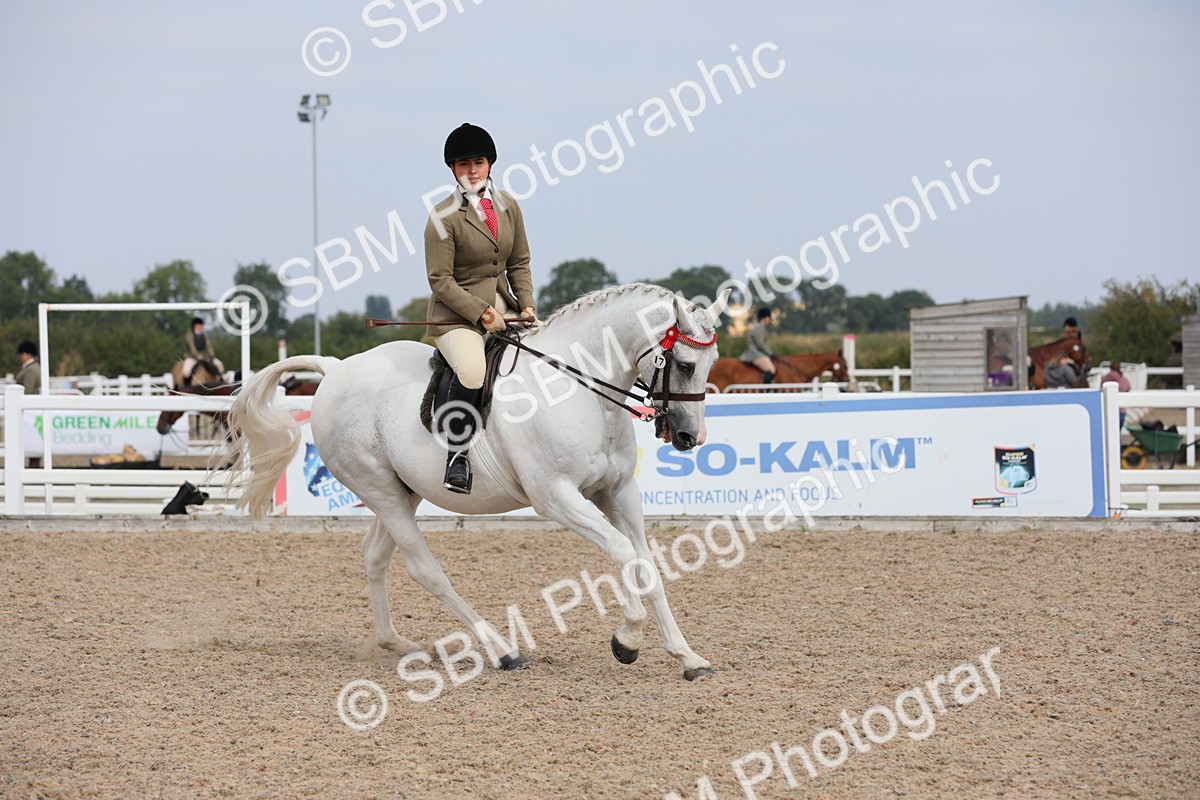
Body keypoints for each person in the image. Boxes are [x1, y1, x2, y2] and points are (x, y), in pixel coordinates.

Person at [425, 123, 536, 494]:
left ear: (489, 164)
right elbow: (440, 280)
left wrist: (528, 305)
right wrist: (482, 313)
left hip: (504, 305)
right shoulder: (442, 218)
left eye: (478, 162)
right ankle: (457, 455)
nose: (472, 170)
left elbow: (519, 262)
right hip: (456, 316)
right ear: (453, 170)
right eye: (463, 164)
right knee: (472, 372)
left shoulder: (508, 207)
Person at [183, 317, 224, 385]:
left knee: (219, 365)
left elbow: (209, 346)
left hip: (203, 355)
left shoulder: (204, 335)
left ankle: (221, 381)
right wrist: (196, 355)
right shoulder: (190, 335)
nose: (200, 326)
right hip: (191, 356)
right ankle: (186, 386)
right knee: (186, 371)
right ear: (194, 326)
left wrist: (212, 355)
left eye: (201, 325)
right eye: (199, 325)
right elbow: (192, 346)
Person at [741, 308, 776, 384]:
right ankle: (766, 391)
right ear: (764, 318)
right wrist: (770, 353)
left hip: (758, 353)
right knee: (771, 369)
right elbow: (761, 344)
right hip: (755, 354)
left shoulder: (760, 328)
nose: (770, 320)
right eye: (769, 318)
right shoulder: (759, 328)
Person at [1101, 360, 1132, 428]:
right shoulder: (1124, 379)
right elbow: (1128, 389)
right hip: (1121, 411)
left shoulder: (1104, 378)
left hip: (1108, 411)